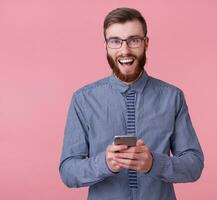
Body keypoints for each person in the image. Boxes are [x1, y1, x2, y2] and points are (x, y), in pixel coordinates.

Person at [59, 7, 204, 200]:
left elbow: (194, 165)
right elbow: (68, 171)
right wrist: (105, 163)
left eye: (134, 40)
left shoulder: (173, 97)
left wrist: (153, 163)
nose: (125, 50)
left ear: (146, 43)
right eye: (115, 41)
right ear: (106, 46)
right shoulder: (83, 100)